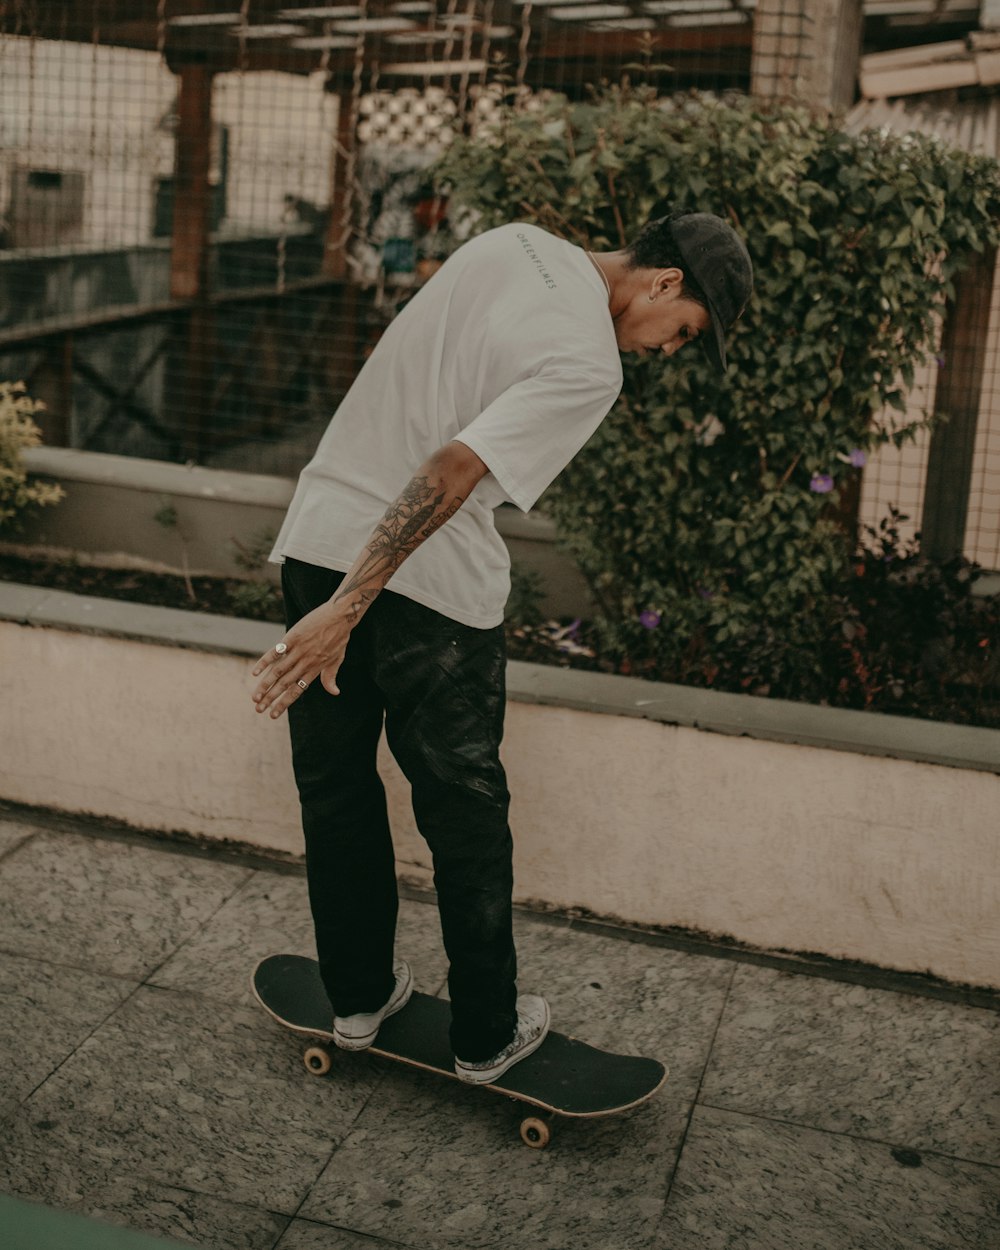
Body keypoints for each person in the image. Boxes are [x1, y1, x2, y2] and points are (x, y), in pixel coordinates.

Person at [251, 211, 753, 1083]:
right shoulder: (589, 362)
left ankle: (359, 1000)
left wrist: (330, 599)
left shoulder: (509, 242)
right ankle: (486, 1035)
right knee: (465, 813)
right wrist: (351, 609)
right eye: (685, 334)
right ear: (666, 284)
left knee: (335, 787)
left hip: (317, 537)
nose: (668, 351)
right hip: (424, 595)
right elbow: (450, 469)